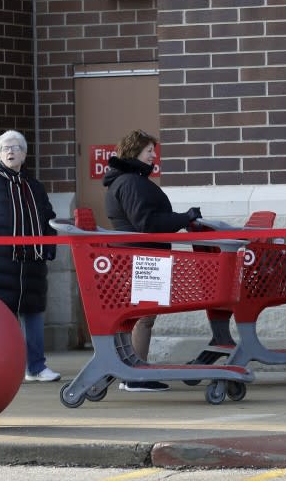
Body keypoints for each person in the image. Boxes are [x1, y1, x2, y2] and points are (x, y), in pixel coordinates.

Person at [102, 129, 202, 392]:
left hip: (138, 256)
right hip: (142, 257)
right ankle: (135, 375)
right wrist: (184, 217)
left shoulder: (125, 181)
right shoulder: (131, 183)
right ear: (134, 151)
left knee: (139, 316)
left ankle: (132, 371)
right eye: (149, 151)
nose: (153, 156)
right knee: (144, 317)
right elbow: (147, 222)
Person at [0, 130, 60, 383]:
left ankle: (36, 367)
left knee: (33, 313)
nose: (10, 150)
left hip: (32, 262)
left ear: (24, 153)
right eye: (5, 146)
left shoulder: (34, 185)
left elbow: (47, 217)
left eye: (16, 147)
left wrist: (49, 245)